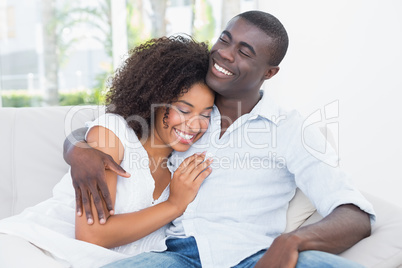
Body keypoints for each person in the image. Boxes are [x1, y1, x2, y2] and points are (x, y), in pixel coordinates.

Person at [64, 11, 376, 268]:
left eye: (244, 51)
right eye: (225, 39)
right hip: (174, 257)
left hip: (254, 258)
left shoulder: (289, 129)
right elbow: (119, 122)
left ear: (270, 72)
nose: (225, 54)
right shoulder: (185, 108)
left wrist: (291, 241)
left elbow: (354, 214)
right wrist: (79, 149)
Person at [0, 36, 215, 267]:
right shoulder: (113, 133)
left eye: (205, 114)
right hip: (36, 246)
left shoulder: (184, 169)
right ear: (154, 99)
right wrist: (174, 205)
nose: (195, 125)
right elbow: (92, 235)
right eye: (183, 109)